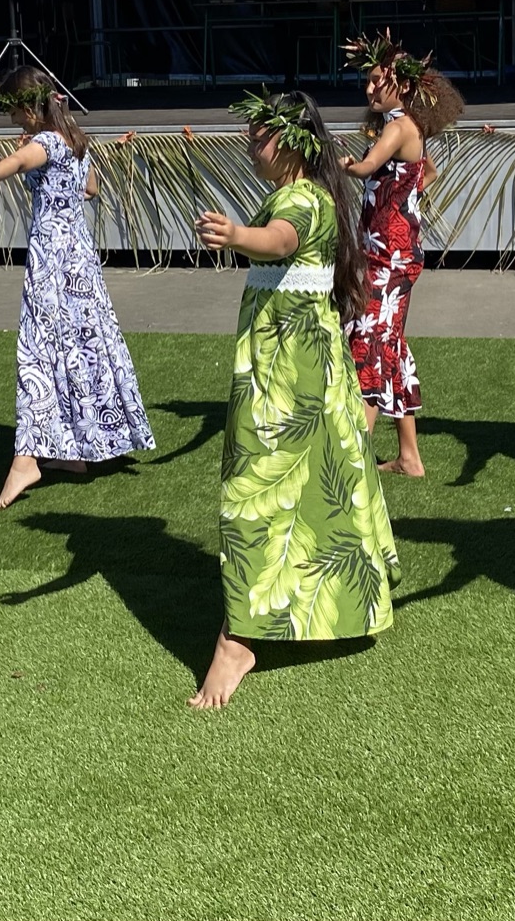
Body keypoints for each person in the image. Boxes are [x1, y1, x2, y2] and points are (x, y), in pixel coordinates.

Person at [189, 91, 400, 710]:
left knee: (255, 491)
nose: (250, 147)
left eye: (257, 137)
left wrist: (236, 234)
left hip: (288, 374)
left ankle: (237, 640)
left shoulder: (301, 199)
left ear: (288, 143)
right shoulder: (307, 193)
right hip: (300, 363)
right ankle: (313, 604)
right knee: (316, 485)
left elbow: (279, 242)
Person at [0, 67, 154, 509]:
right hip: (79, 255)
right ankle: (74, 449)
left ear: (30, 107)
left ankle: (26, 459)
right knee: (79, 342)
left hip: (51, 257)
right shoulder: (75, 139)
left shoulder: (46, 141)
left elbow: (20, 163)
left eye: (14, 110)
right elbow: (91, 188)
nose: (12, 118)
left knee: (39, 345)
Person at [339, 36, 463, 479]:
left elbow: (366, 168)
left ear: (402, 85)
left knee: (369, 341)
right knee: (387, 342)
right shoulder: (408, 126)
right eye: (368, 81)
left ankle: (353, 457)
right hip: (392, 251)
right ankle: (409, 457)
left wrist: (341, 165)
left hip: (390, 257)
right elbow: (427, 172)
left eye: (378, 81)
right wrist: (402, 199)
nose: (370, 89)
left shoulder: (397, 126)